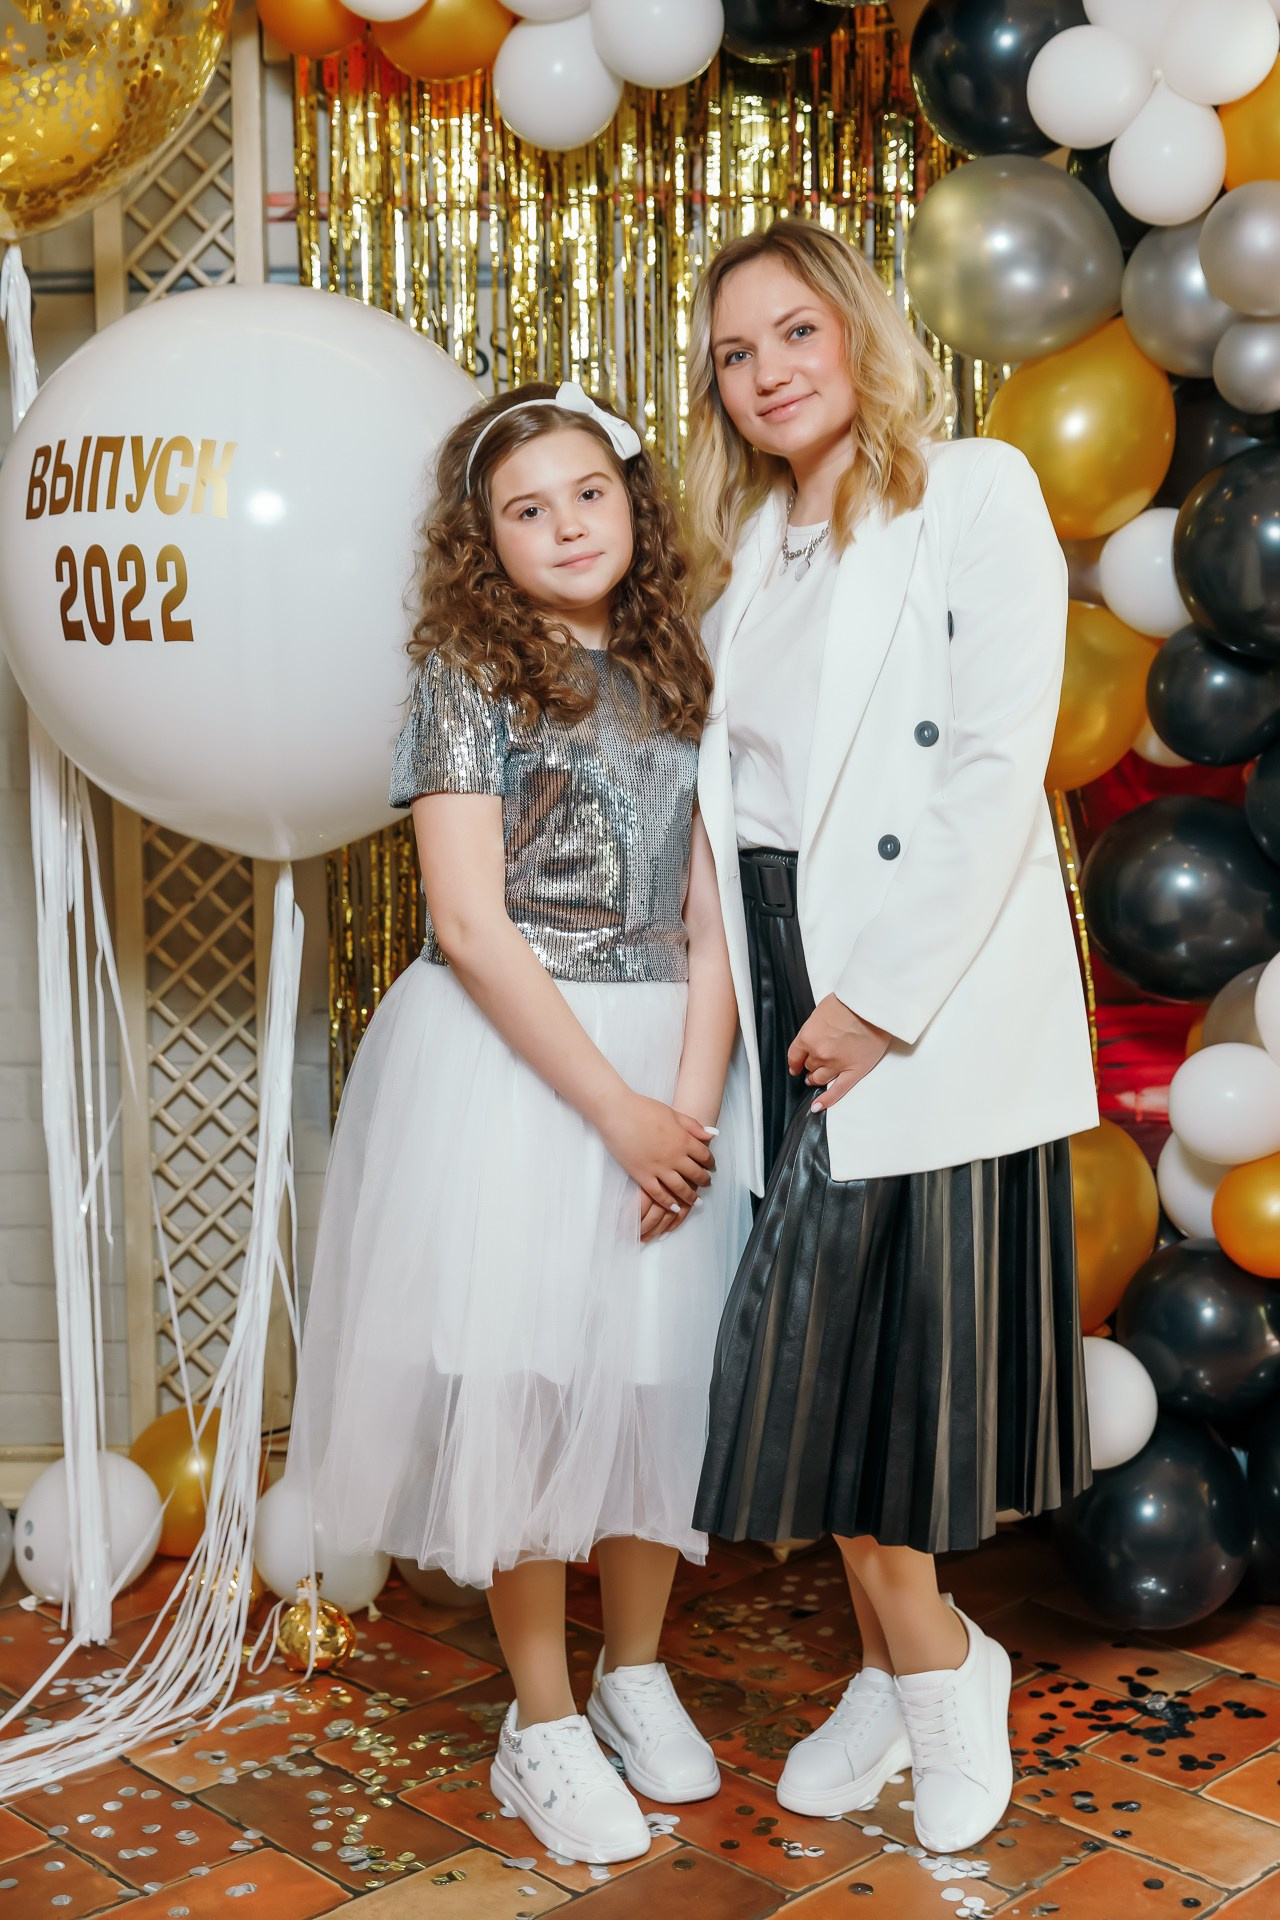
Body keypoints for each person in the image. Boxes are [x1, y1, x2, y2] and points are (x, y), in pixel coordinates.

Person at [287, 381, 752, 1867]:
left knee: (651, 1379)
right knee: (530, 1383)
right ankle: (539, 1718)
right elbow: (473, 927)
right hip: (523, 1066)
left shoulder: (683, 666)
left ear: (633, 503)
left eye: (587, 494)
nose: (565, 527)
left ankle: (634, 1672)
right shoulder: (466, 672)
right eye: (526, 510)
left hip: (670, 1061)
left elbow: (713, 915)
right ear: (483, 541)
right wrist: (618, 1112)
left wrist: (687, 1109)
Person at [684, 220, 1099, 1855]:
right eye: (735, 353)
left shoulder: (974, 489)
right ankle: (894, 1667)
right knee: (829, 1375)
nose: (769, 372)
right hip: (781, 967)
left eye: (796, 331)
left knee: (860, 1371)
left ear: (859, 332)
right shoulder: (747, 557)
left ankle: (938, 1673)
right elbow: (740, 812)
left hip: (911, 988)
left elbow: (996, 765)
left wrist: (878, 999)